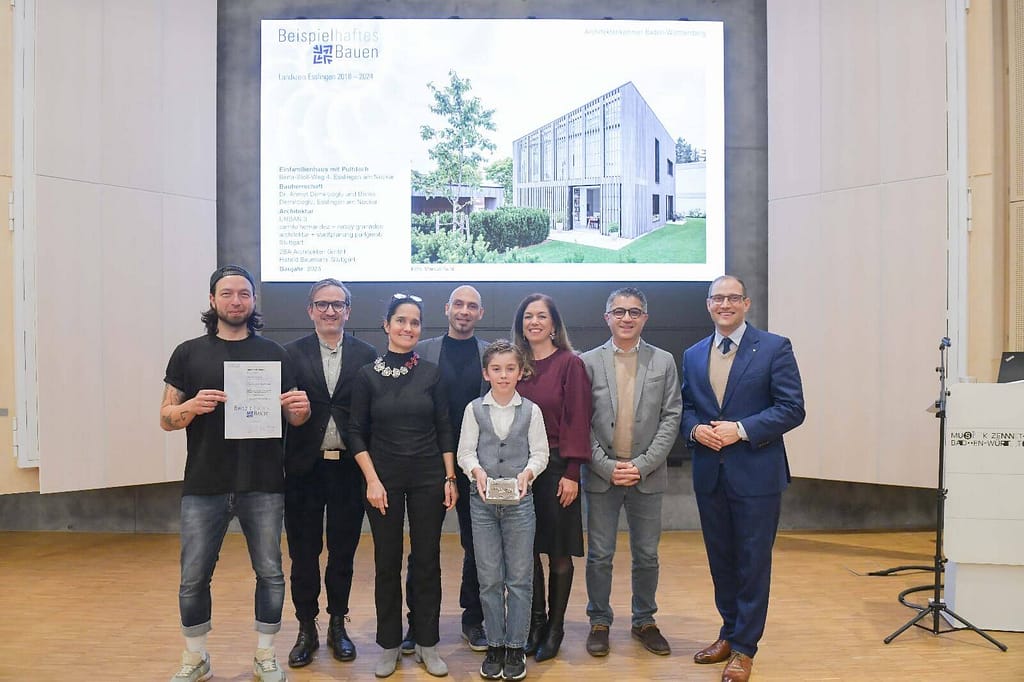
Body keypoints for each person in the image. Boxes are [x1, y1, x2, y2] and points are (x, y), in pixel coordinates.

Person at [160, 265, 311, 682]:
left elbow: (296, 416)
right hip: (204, 482)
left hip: (263, 483)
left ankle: (265, 653)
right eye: (227, 294)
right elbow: (166, 417)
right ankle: (196, 656)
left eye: (244, 294)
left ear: (253, 301)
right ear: (213, 300)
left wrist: (301, 412)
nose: (236, 301)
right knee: (193, 576)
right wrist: (190, 407)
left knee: (270, 572)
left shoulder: (275, 355)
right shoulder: (188, 353)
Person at [680, 275, 805, 682]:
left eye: (733, 298)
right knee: (722, 563)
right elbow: (686, 408)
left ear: (747, 304)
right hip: (710, 476)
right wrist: (695, 430)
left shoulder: (774, 347)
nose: (725, 304)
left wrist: (742, 429)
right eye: (718, 298)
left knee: (752, 563)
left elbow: (792, 408)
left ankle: (746, 649)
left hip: (757, 476)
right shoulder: (694, 353)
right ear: (708, 304)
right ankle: (729, 633)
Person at [348, 293, 459, 678]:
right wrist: (372, 481)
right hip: (384, 481)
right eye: (401, 321)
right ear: (386, 325)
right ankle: (389, 644)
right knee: (386, 561)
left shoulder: (431, 373)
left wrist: (449, 476)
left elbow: (445, 426)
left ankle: (427, 641)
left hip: (429, 476)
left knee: (427, 560)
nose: (407, 328)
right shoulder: (366, 375)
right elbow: (355, 432)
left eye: (414, 322)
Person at [580, 287, 681, 658]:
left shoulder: (664, 361)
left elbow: (672, 416)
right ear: (606, 317)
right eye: (619, 311)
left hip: (647, 476)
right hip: (601, 475)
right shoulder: (588, 362)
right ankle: (599, 621)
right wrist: (606, 466)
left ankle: (644, 621)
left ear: (644, 318)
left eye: (634, 312)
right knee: (600, 555)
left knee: (647, 555)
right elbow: (581, 422)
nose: (626, 318)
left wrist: (641, 465)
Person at [282, 279, 378, 668]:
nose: (330, 311)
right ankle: (307, 627)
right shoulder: (289, 355)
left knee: (343, 550)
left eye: (337, 304)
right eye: (322, 304)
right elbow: (279, 410)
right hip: (304, 468)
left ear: (348, 311)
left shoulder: (367, 354)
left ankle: (338, 623)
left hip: (348, 470)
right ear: (310, 310)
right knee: (303, 552)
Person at [403, 285, 489, 653]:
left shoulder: (492, 354)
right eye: (459, 304)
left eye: (472, 306)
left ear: (480, 314)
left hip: (477, 466)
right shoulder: (421, 352)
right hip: (429, 465)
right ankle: (418, 624)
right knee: (423, 549)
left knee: (477, 547)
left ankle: (473, 619)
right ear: (447, 308)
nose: (465, 311)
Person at [457, 339, 549, 681]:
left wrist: (528, 473)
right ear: (486, 372)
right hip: (482, 504)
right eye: (496, 369)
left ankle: (515, 647)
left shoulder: (531, 411)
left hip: (520, 504)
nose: (504, 375)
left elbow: (540, 452)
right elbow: (465, 451)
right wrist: (476, 472)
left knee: (520, 579)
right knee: (490, 579)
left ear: (520, 372)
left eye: (510, 368)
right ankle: (495, 644)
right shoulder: (474, 410)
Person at [511, 293, 593, 662]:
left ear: (554, 323)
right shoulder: (514, 364)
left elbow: (578, 418)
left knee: (558, 552)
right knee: (526, 553)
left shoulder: (570, 364)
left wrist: (573, 472)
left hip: (558, 468)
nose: (534, 322)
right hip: (518, 470)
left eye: (542, 316)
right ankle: (535, 623)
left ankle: (555, 628)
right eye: (528, 316)